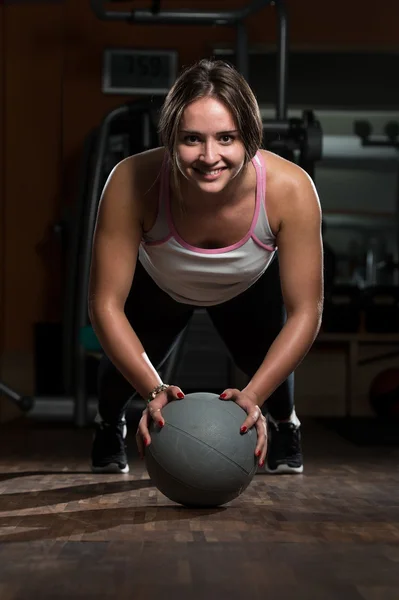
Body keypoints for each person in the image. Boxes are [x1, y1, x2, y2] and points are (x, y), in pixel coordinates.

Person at [88, 59, 323, 476]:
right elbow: (104, 304)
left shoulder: (291, 189)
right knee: (116, 381)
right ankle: (108, 425)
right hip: (162, 284)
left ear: (249, 137)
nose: (209, 156)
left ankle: (286, 423)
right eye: (191, 139)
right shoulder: (131, 180)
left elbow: (307, 310)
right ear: (170, 139)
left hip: (247, 286)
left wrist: (253, 395)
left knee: (271, 375)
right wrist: (155, 389)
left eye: (227, 138)